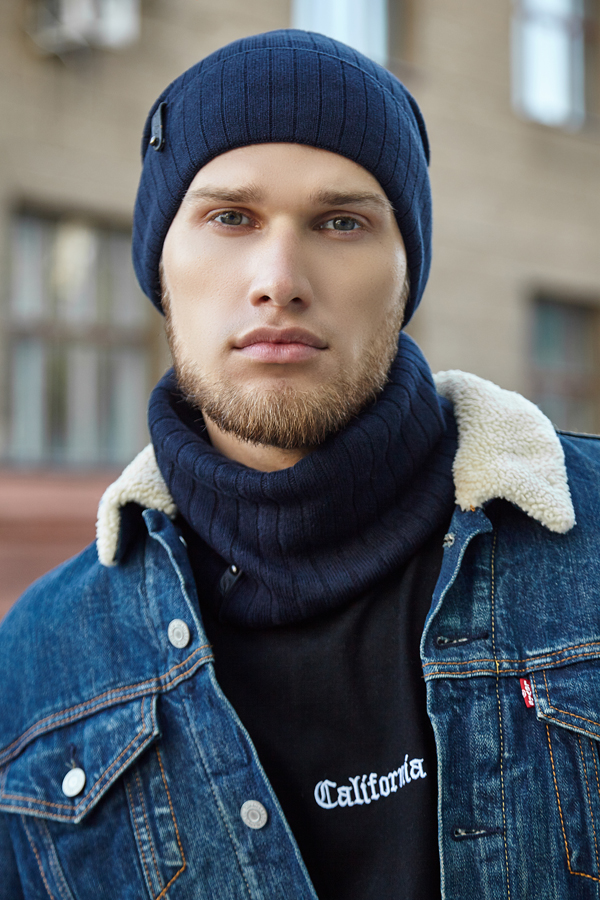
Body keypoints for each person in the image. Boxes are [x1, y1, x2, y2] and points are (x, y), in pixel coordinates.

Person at [0, 28, 597, 900]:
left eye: (341, 222)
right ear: (159, 267)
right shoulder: (37, 663)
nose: (278, 278)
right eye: (229, 218)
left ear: (407, 274)